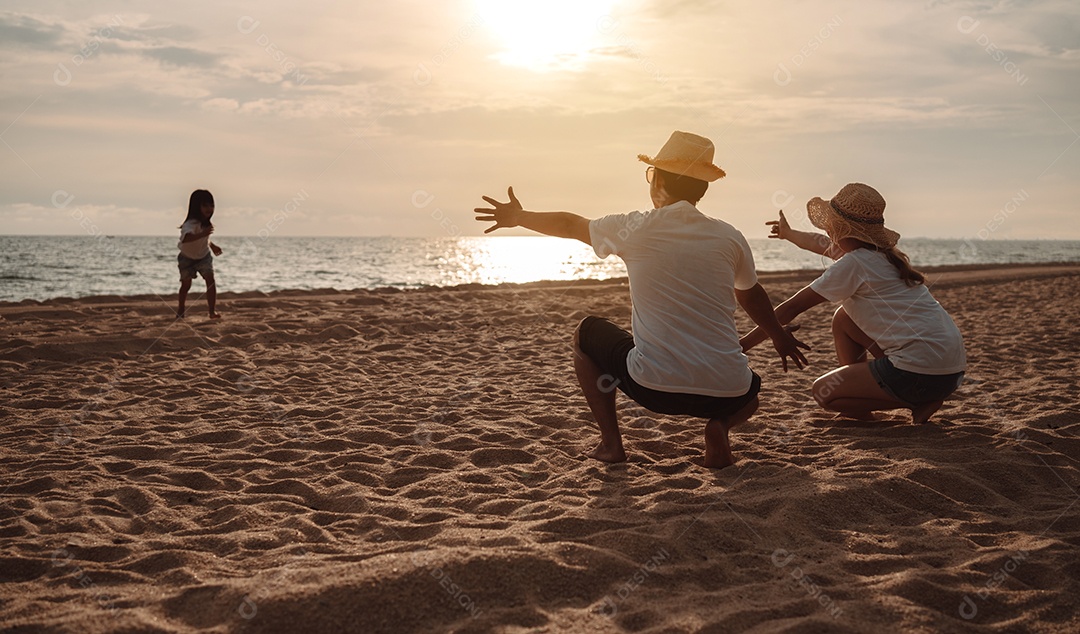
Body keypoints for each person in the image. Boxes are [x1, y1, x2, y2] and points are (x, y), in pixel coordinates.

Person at [474, 131, 808, 469]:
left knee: (586, 332)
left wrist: (518, 217)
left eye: (652, 175)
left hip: (655, 388)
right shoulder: (730, 236)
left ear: (658, 180)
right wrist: (778, 334)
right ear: (702, 189)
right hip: (727, 393)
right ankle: (720, 427)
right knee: (751, 393)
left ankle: (610, 445)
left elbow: (568, 223)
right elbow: (750, 294)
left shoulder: (633, 228)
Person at [740, 183, 966, 423]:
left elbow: (792, 307)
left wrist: (743, 345)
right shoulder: (882, 256)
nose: (826, 232)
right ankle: (887, 398)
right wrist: (789, 234)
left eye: (830, 226)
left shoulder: (855, 264)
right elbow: (820, 244)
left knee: (824, 393)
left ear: (839, 229)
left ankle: (915, 401)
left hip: (919, 374)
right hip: (950, 373)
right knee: (843, 317)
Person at [176, 189, 223, 319]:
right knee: (186, 285)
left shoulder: (205, 224)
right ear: (196, 207)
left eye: (211, 205)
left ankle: (212, 311)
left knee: (210, 280)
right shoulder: (190, 224)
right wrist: (203, 233)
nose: (209, 209)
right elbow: (186, 238)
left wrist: (212, 246)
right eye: (205, 205)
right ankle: (181, 309)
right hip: (186, 259)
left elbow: (204, 239)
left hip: (203, 257)